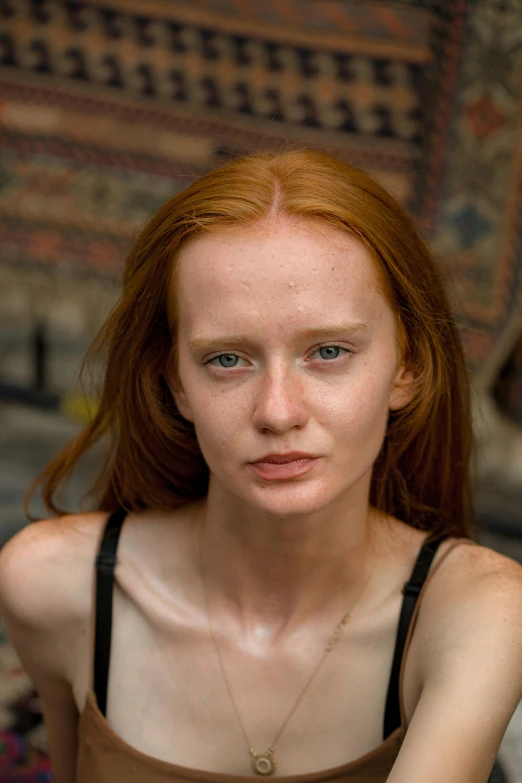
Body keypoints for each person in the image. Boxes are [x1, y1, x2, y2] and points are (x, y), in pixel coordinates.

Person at [0, 148, 520, 783]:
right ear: (177, 385)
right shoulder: (54, 587)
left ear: (407, 368)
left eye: (328, 351)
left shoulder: (479, 611)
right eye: (226, 360)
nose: (277, 412)